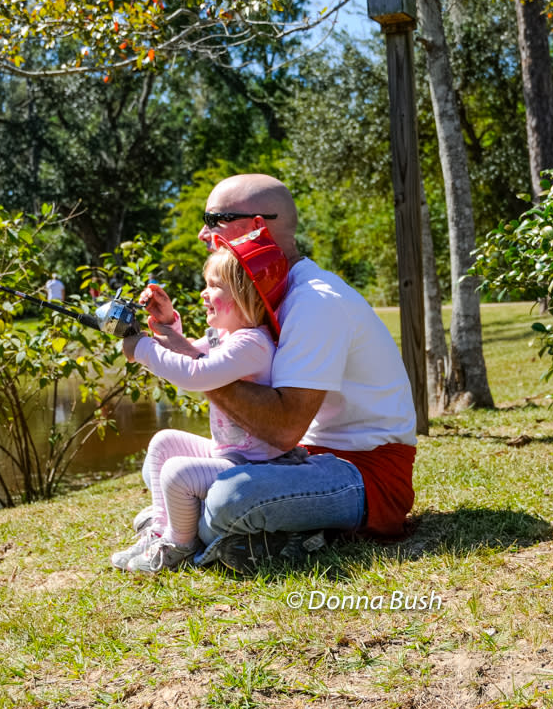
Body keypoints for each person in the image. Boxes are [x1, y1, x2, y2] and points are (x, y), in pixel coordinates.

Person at [136, 173, 418, 573]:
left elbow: (283, 426)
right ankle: (204, 531)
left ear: (256, 227)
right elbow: (212, 365)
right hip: (295, 459)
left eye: (214, 219)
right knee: (165, 453)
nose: (203, 233)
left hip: (363, 473)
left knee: (226, 500)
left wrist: (198, 373)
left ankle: (202, 531)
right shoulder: (263, 296)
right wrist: (171, 337)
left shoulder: (313, 302)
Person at [111, 229, 291, 574]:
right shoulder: (228, 337)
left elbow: (197, 374)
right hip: (231, 454)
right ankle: (161, 530)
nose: (203, 293)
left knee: (178, 472)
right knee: (164, 442)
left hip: (257, 465)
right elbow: (190, 352)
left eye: (213, 286)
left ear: (242, 295)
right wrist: (166, 323)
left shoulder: (251, 343)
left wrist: (143, 348)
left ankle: (179, 545)